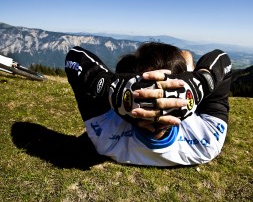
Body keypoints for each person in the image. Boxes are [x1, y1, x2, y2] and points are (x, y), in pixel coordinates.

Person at [65, 42, 232, 166]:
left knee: (181, 56)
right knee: (186, 56)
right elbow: (221, 58)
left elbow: (74, 57)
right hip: (188, 106)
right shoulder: (207, 143)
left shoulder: (106, 138)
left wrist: (111, 86)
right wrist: (200, 82)